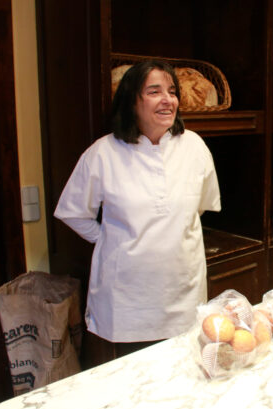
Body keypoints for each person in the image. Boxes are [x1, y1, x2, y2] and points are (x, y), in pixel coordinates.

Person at [54, 60, 221, 362]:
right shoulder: (103, 153)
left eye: (172, 91)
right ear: (132, 101)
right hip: (126, 302)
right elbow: (73, 212)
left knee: (184, 373)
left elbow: (199, 207)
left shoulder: (194, 147)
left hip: (183, 292)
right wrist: (111, 239)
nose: (167, 100)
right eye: (154, 92)